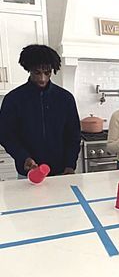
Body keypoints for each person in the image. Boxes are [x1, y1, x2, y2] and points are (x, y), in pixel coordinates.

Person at [0, 44, 81, 177]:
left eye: (47, 73)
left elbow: (73, 135)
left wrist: (70, 164)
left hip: (61, 173)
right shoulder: (13, 99)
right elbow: (6, 135)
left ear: (52, 71)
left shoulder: (65, 99)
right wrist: (23, 157)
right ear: (29, 69)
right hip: (28, 173)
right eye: (37, 72)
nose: (42, 78)